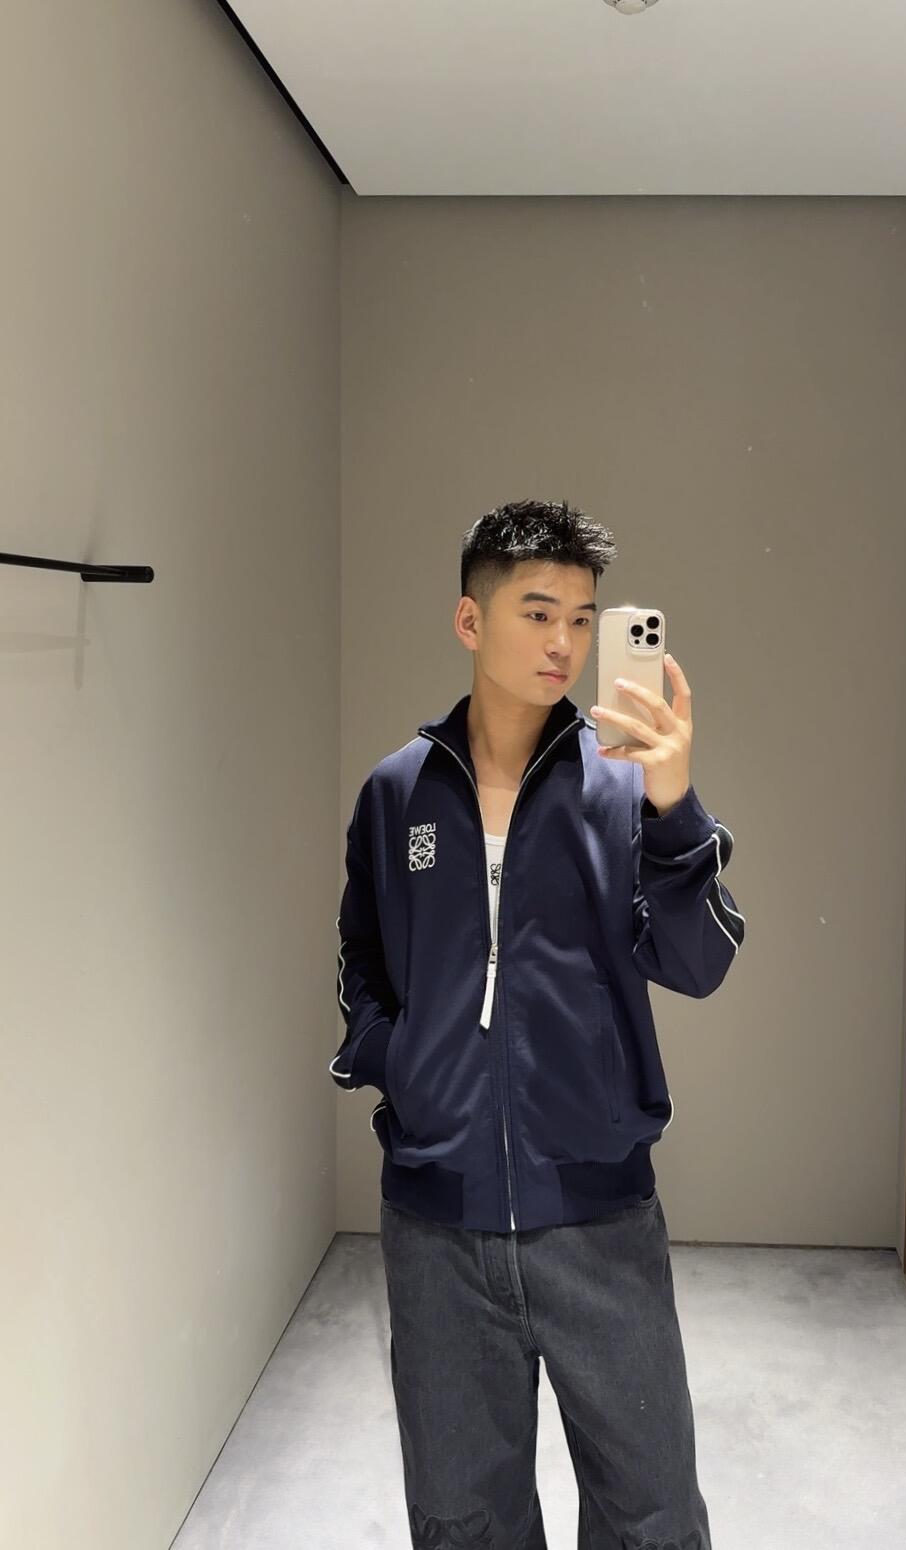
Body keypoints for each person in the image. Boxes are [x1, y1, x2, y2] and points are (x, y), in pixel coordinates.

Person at [329, 499, 744, 1550]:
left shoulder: (623, 787)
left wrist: (675, 808)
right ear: (471, 621)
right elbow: (362, 959)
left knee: (653, 1520)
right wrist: (400, 1065)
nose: (565, 642)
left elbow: (700, 963)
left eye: (584, 619)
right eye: (538, 612)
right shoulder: (396, 793)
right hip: (438, 1230)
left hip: (599, 1221)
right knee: (464, 1523)